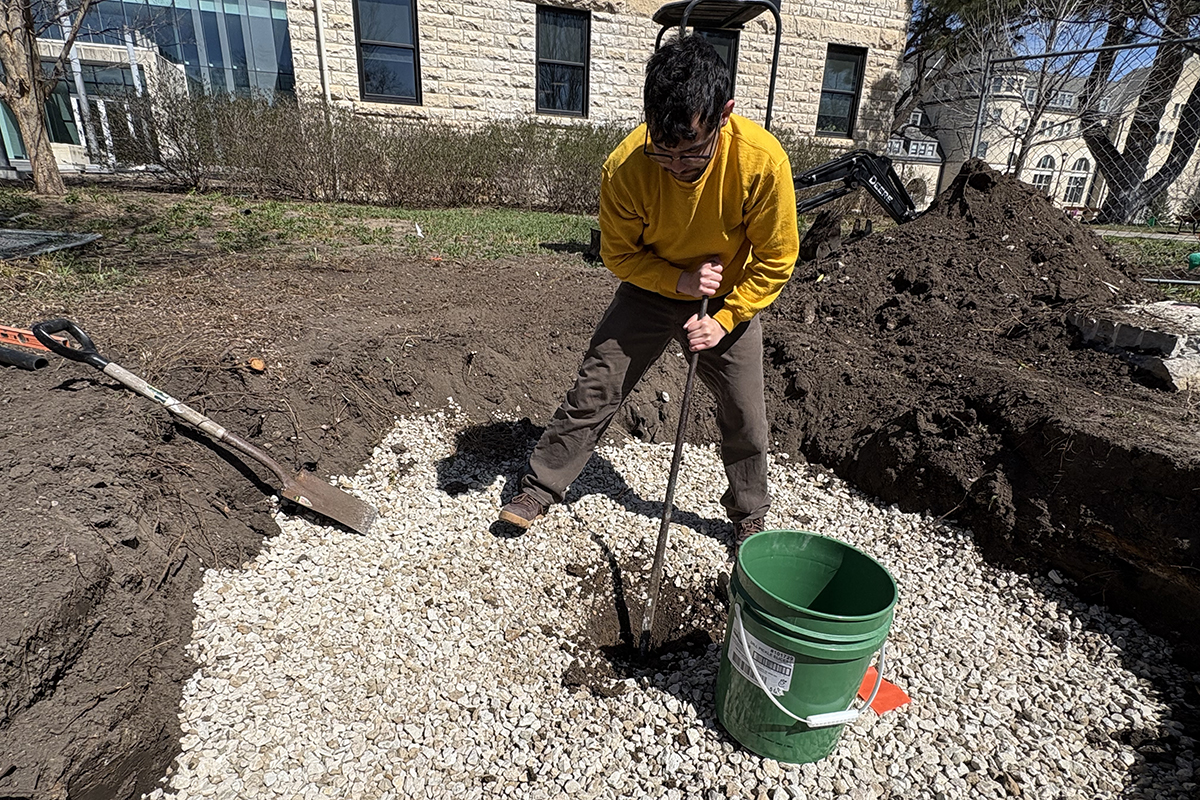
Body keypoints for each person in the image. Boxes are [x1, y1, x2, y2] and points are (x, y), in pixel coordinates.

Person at [499, 33, 799, 549]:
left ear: (724, 114)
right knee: (597, 384)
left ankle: (748, 510)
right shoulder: (626, 166)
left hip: (727, 297)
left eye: (692, 154)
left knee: (744, 409)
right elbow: (618, 254)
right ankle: (541, 484)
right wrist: (677, 280)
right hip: (651, 285)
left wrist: (724, 318)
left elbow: (777, 257)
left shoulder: (762, 162)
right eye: (665, 154)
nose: (678, 167)